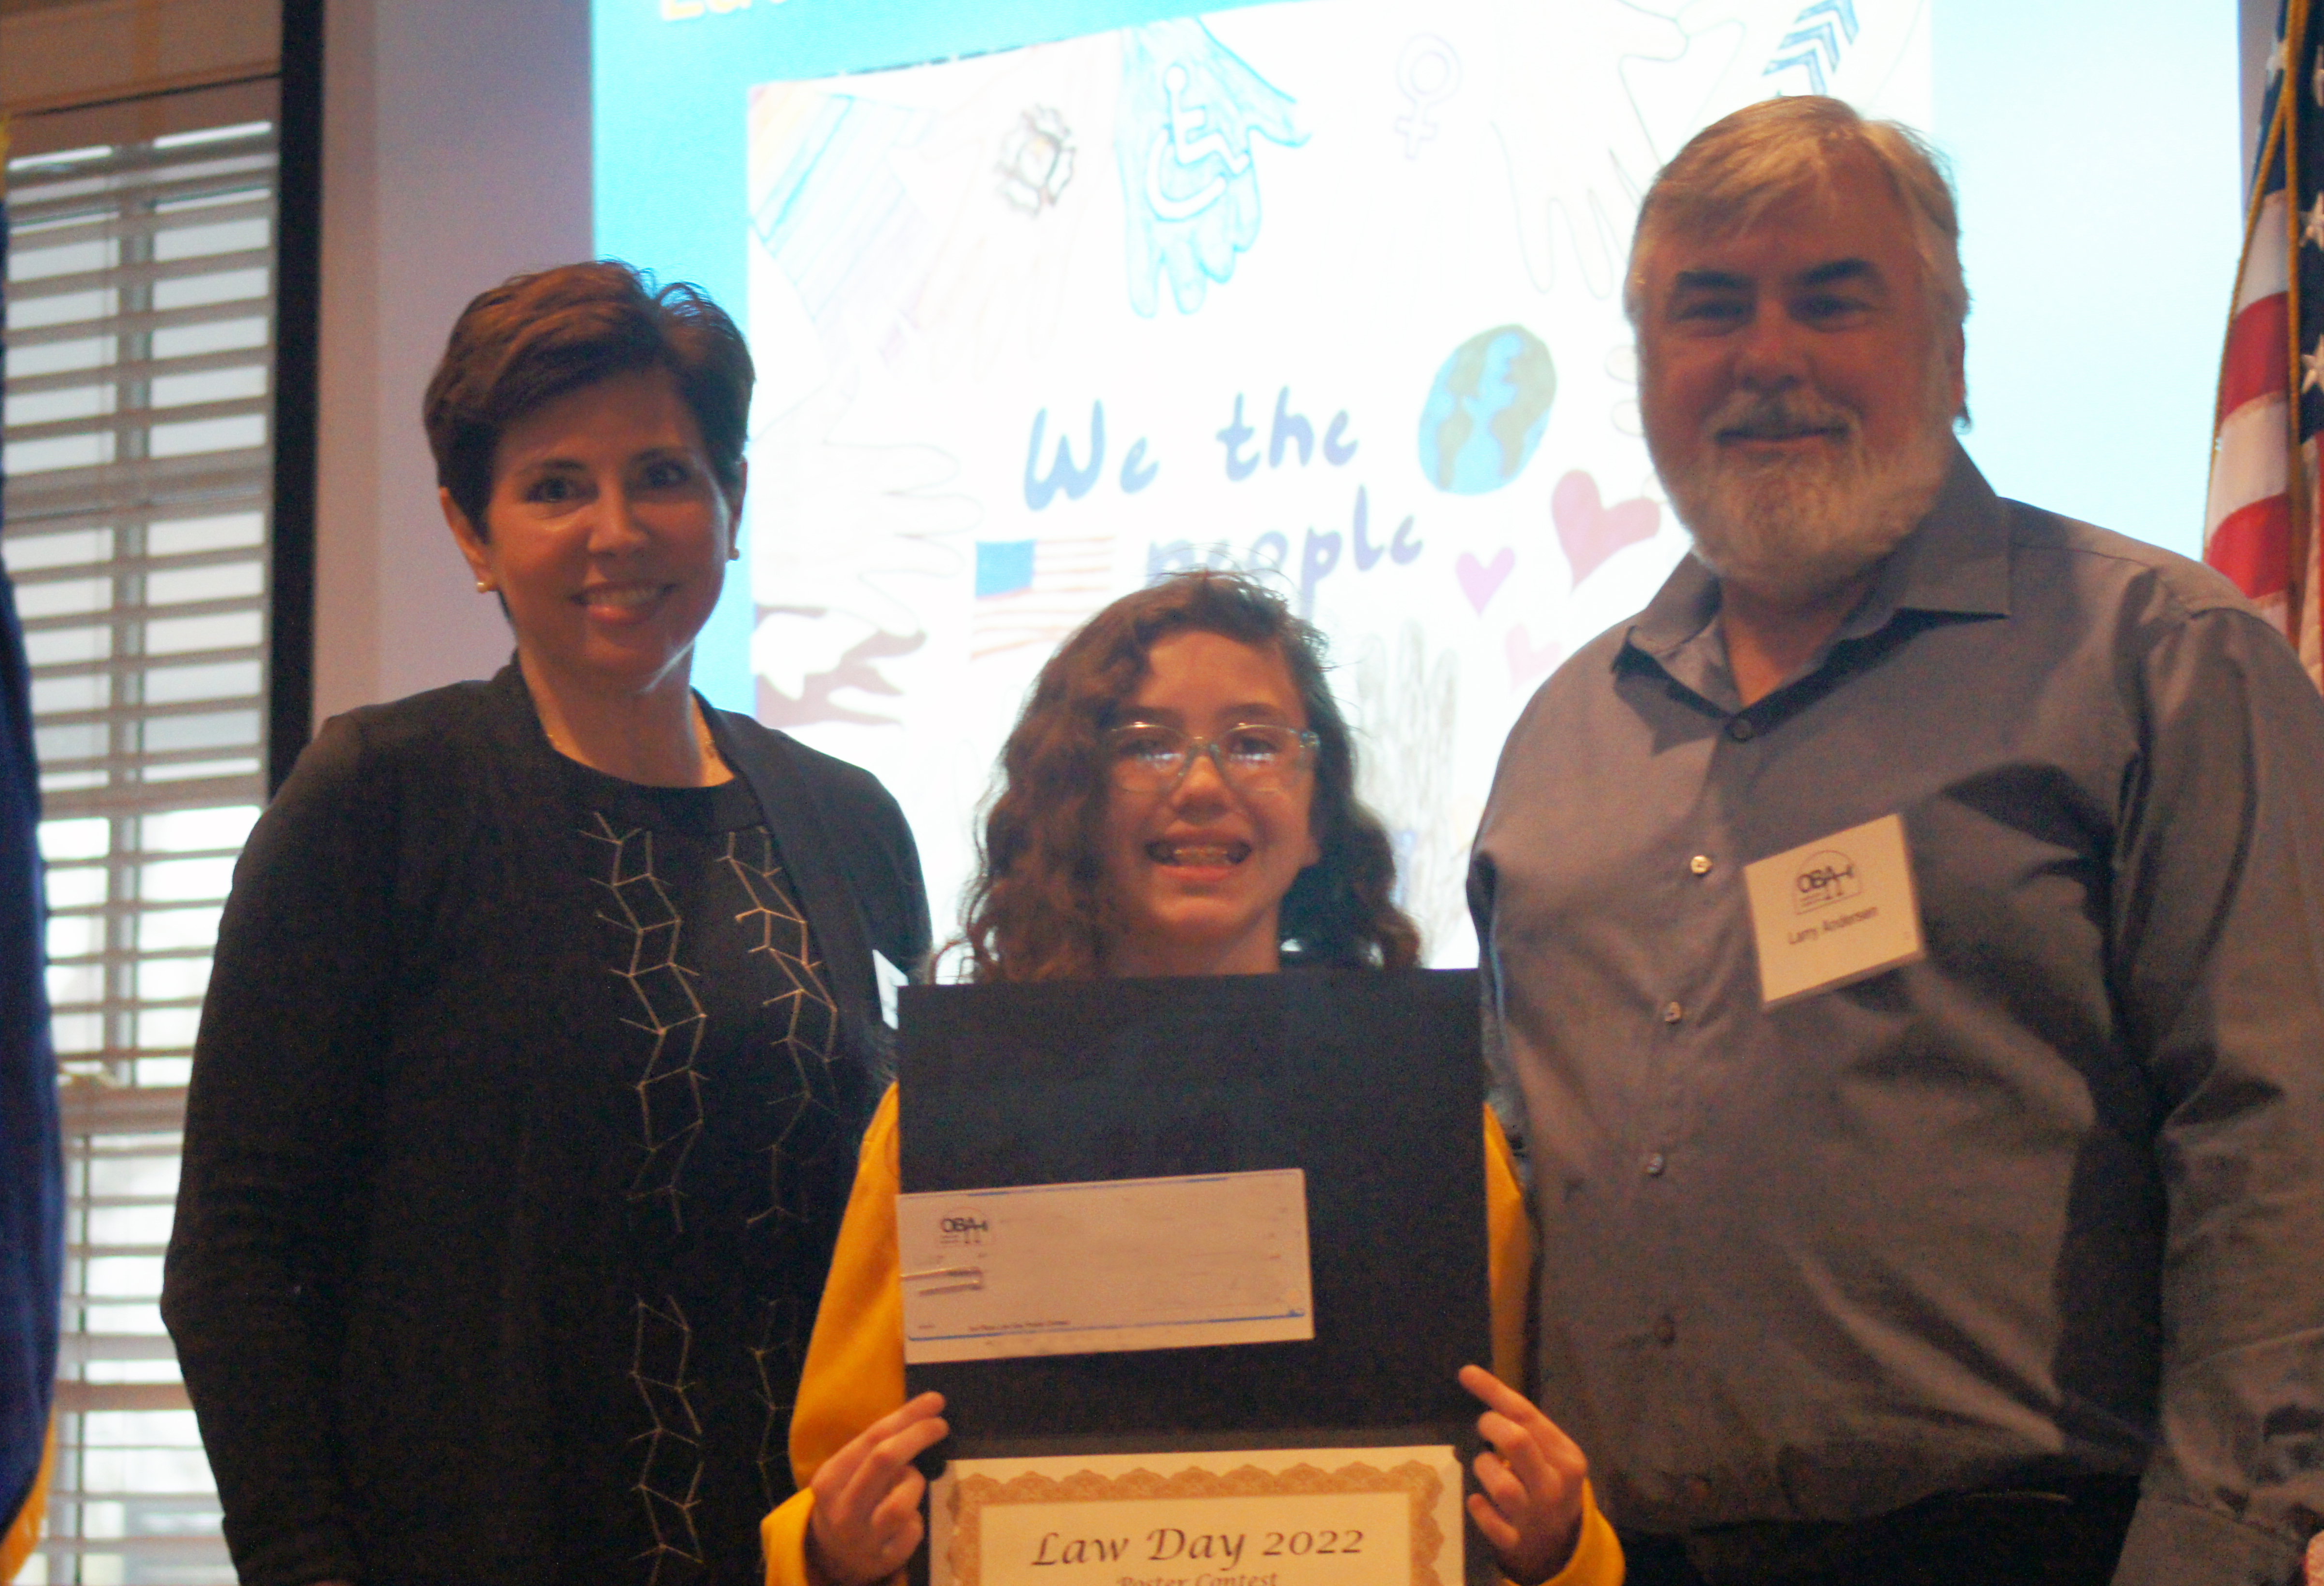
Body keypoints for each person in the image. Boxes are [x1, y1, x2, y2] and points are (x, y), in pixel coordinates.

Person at [1470, 95, 2324, 1586]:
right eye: (1711, 309)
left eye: (1834, 298)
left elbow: (2282, 1146)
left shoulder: (2158, 657)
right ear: (1651, 367)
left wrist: (2216, 1559)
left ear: (1955, 350)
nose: (1767, 357)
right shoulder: (1560, 746)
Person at [162, 262, 930, 1586]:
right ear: (473, 533)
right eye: (556, 487)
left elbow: (909, 1230)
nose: (617, 529)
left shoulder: (850, 821)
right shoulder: (379, 799)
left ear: (732, 504)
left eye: (666, 476)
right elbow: (236, 1262)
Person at [759, 571, 1626, 1586]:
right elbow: (832, 1498)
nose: (1203, 783)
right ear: (1075, 802)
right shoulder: (946, 1120)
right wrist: (831, 1552)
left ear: (1314, 816)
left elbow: (1511, 1483)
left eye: (1255, 741)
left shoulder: (1426, 1126)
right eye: (1145, 744)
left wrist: (1557, 1546)